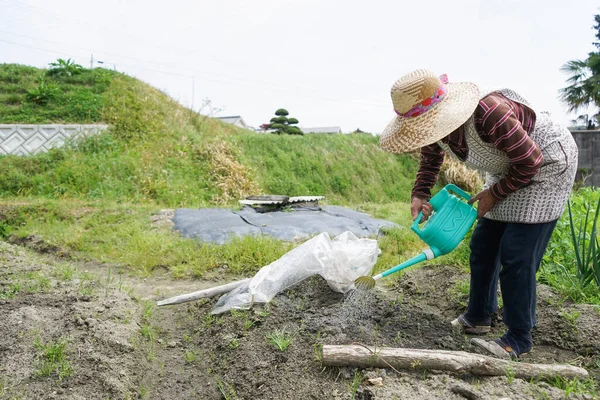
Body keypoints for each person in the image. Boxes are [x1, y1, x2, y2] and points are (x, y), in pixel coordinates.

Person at [379, 69, 578, 359]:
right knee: (483, 244)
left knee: (517, 253)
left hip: (545, 163)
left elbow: (530, 160)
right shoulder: (434, 128)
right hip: (507, 169)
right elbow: (432, 156)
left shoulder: (488, 113)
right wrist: (420, 193)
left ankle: (518, 337)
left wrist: (494, 194)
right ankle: (478, 316)